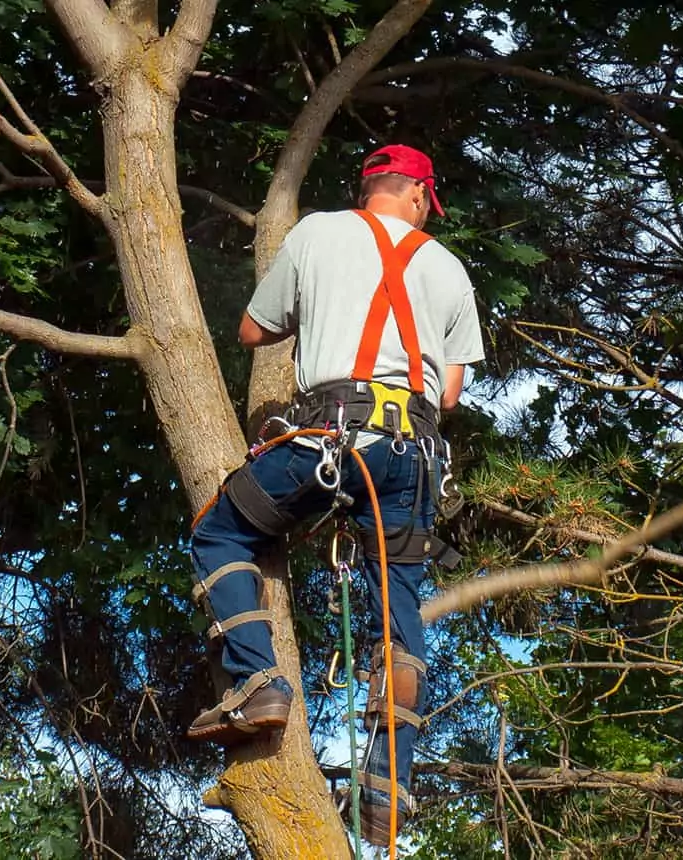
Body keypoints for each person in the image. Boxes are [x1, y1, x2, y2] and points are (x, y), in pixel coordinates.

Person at [184, 144, 484, 845]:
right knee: (397, 621)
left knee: (222, 532)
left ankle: (259, 684)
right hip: (411, 455)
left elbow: (253, 329)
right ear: (417, 195)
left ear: (370, 187)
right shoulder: (448, 267)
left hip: (330, 437)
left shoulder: (316, 232)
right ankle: (387, 790)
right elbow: (448, 394)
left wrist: (322, 312)